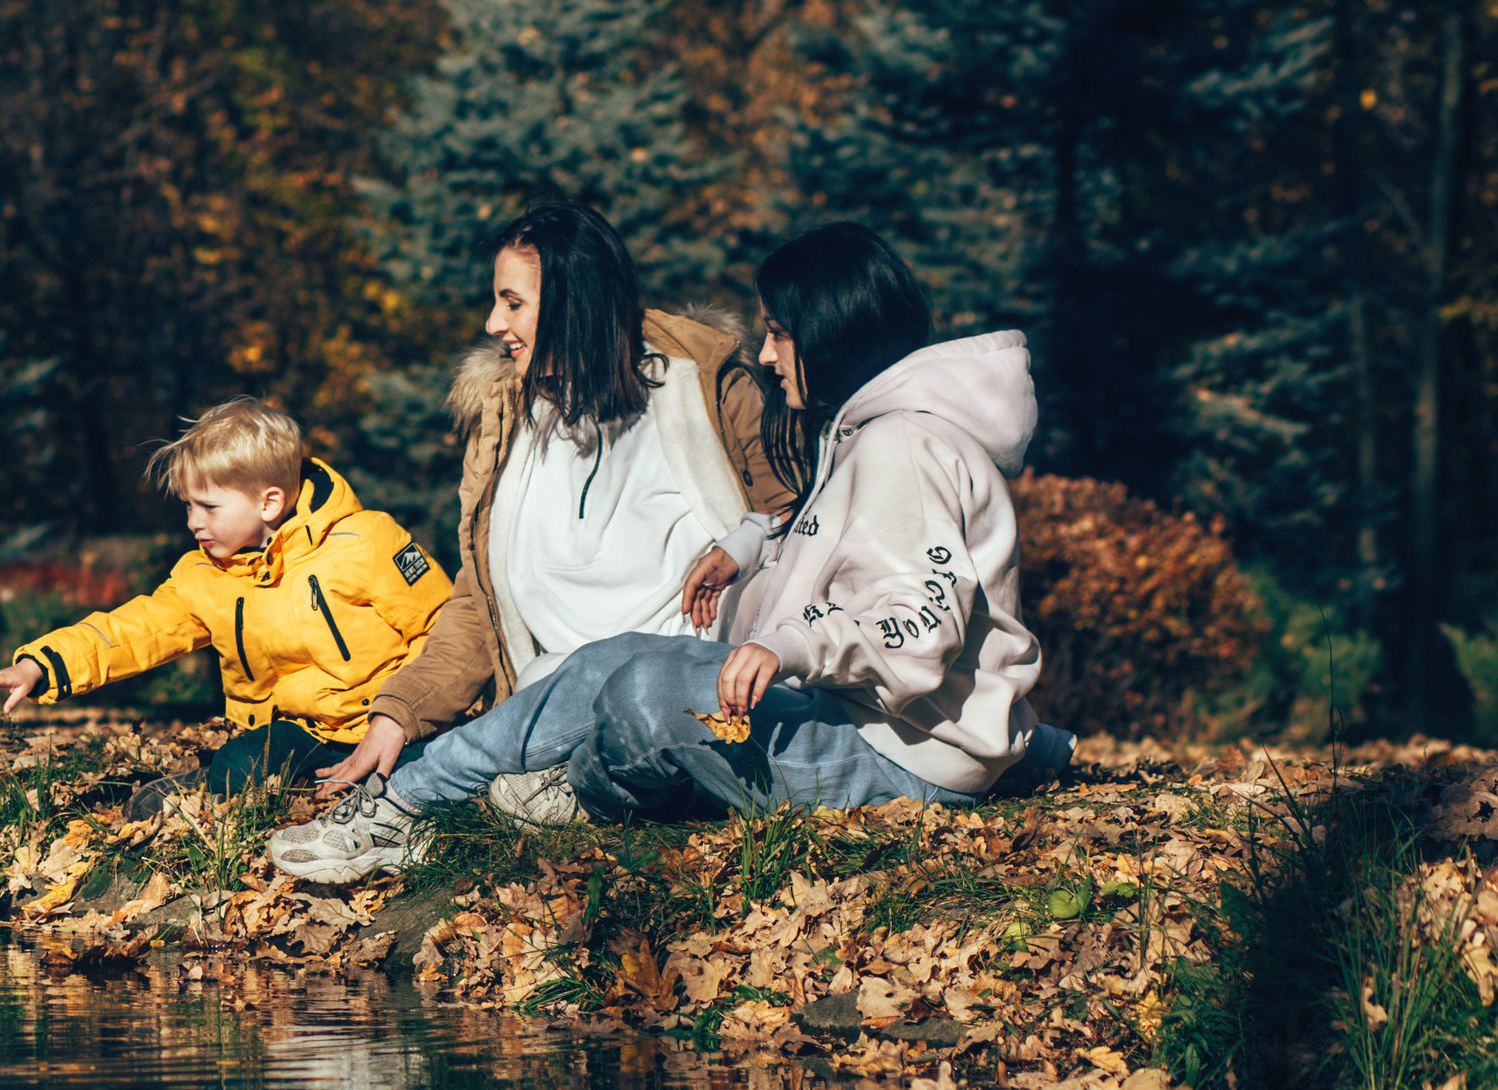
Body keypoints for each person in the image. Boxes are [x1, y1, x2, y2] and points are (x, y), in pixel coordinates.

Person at [270, 222, 1076, 886]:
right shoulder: (873, 434)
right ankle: (418, 800)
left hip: (891, 760)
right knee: (612, 677)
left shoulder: (902, 445)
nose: (765, 354)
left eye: (780, 332)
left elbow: (919, 627)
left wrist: (786, 646)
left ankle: (456, 800)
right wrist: (746, 543)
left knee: (639, 694)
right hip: (879, 733)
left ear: (826, 333)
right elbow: (834, 545)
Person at [312, 202, 795, 822]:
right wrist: (397, 713)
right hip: (539, 705)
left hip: (693, 697)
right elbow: (477, 599)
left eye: (513, 303)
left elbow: (794, 517)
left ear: (574, 303)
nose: (492, 323)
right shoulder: (508, 418)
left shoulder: (705, 385)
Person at [0, 398, 451, 805]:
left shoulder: (365, 541)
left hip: (391, 719)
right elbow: (136, 629)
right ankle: (217, 794)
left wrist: (407, 713)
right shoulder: (204, 575)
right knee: (237, 766)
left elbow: (442, 624)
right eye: (189, 506)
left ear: (269, 503)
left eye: (209, 507)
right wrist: (41, 666)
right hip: (303, 730)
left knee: (414, 774)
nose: (194, 522)